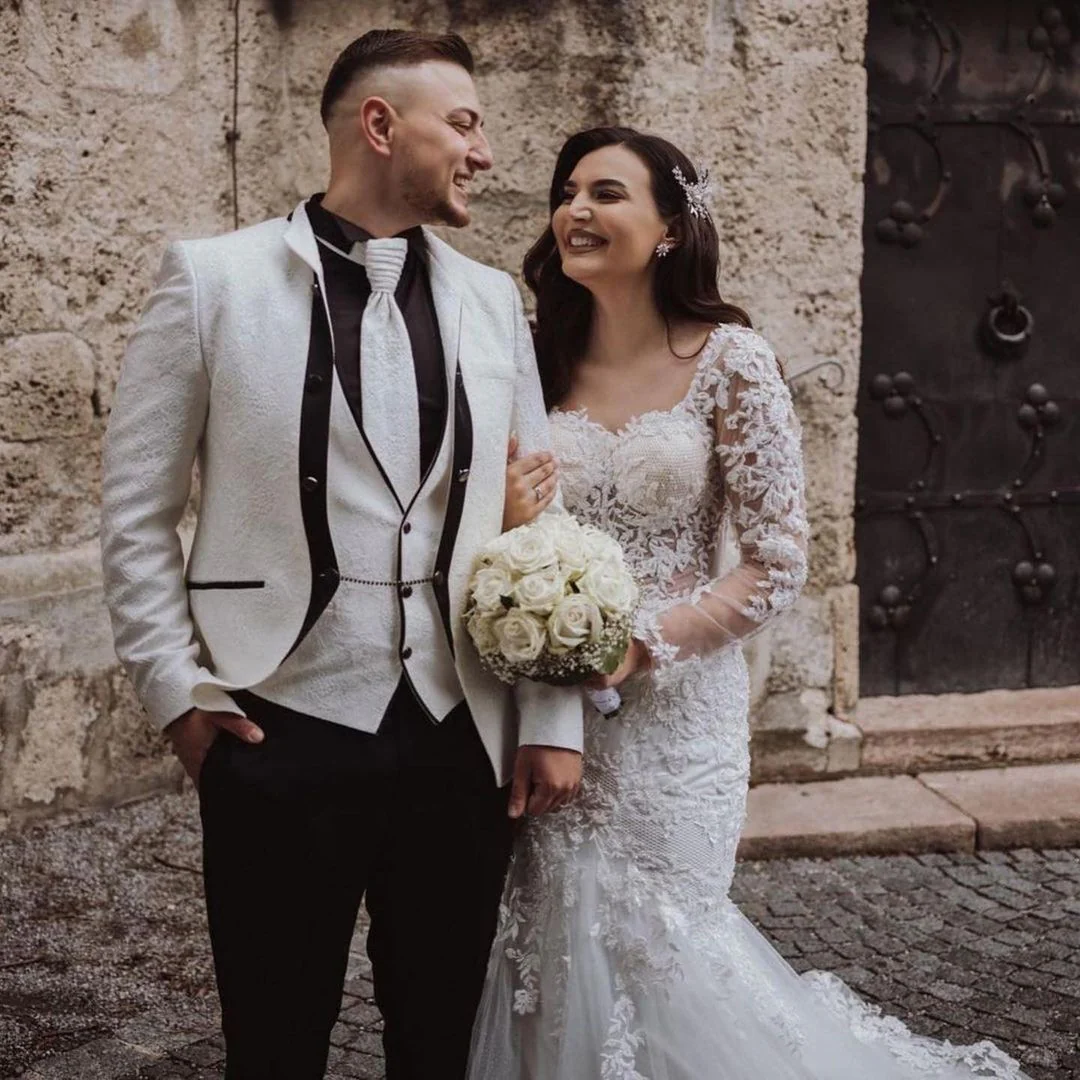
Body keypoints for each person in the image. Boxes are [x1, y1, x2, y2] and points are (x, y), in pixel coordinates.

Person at [471, 127, 1030, 1079]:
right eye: (567, 193)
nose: (575, 211)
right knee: (548, 934)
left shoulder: (732, 361)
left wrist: (636, 646)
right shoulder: (533, 359)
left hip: (674, 718)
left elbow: (775, 565)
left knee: (660, 938)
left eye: (606, 193)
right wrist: (509, 527)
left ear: (669, 229)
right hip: (545, 699)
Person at [99, 29, 583, 1080]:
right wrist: (177, 694)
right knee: (272, 1046)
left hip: (461, 736)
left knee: (437, 1044)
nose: (484, 152)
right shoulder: (214, 281)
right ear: (379, 125)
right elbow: (136, 513)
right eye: (463, 123)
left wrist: (551, 717)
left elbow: (537, 523)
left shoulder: (491, 301)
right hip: (278, 723)